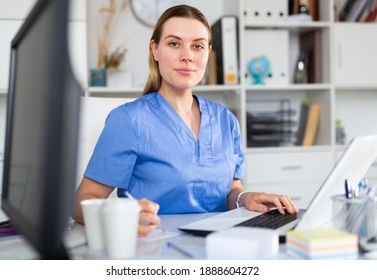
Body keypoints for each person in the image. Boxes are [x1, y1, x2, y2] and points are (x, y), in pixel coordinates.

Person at [71, 4, 298, 237]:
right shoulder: (129, 120)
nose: (187, 56)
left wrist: (244, 198)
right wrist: (122, 219)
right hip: (153, 250)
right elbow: (83, 201)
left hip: (219, 246)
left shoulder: (226, 120)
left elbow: (230, 190)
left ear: (208, 53)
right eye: (174, 43)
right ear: (155, 49)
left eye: (197, 46)